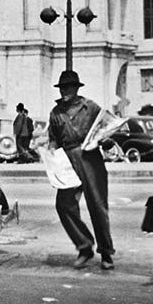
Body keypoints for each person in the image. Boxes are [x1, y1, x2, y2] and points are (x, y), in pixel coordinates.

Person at [47, 70, 114, 270]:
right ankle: (84, 246)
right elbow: (53, 139)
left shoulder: (90, 107)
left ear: (77, 88)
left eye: (70, 87)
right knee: (64, 204)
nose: (66, 91)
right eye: (63, 88)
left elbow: (105, 128)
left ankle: (106, 253)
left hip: (90, 157)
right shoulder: (56, 113)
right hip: (67, 160)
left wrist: (107, 140)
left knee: (98, 205)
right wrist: (50, 156)